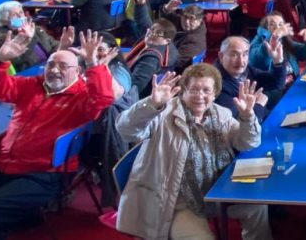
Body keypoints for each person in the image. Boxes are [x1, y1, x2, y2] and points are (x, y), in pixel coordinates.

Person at [115, 65, 271, 240]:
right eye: (194, 89)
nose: (200, 96)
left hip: (218, 192)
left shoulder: (221, 114)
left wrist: (248, 116)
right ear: (183, 91)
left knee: (257, 207)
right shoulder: (165, 114)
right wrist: (151, 104)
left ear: (214, 94)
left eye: (206, 90)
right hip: (178, 202)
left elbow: (247, 143)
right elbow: (126, 129)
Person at [0, 30, 114, 238]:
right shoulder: (32, 84)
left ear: (77, 71)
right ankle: (22, 216)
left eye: (63, 66)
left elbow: (103, 99)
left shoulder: (83, 97)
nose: (54, 70)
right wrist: (0, 61)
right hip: (6, 162)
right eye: (50, 64)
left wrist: (94, 65)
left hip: (45, 174)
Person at [214, 36, 287, 119]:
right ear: (221, 56)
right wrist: (259, 104)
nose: (241, 61)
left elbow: (276, 84)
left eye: (245, 54)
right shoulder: (216, 84)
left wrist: (278, 62)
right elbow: (239, 121)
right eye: (234, 55)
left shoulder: (247, 70)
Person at [0, 4, 73, 72]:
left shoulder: (35, 28)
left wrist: (62, 47)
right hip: (30, 72)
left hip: (50, 65)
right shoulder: (3, 39)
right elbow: (19, 62)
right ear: (4, 20)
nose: (20, 16)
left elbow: (54, 44)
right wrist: (29, 38)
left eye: (21, 12)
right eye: (14, 15)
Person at [249, 12, 306, 85]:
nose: (278, 28)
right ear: (265, 28)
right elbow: (257, 61)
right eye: (272, 24)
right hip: (274, 89)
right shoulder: (258, 41)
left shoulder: (285, 41)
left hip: (294, 84)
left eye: (280, 24)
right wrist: (274, 37)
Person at [125, 16, 179, 98]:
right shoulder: (170, 47)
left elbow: (135, 86)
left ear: (167, 40)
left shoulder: (151, 59)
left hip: (138, 98)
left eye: (158, 33)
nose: (151, 34)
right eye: (152, 29)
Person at [160, 1, 207, 73]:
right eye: (185, 17)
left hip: (174, 72)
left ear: (200, 20)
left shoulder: (195, 41)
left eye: (191, 18)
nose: (187, 21)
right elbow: (169, 17)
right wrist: (167, 9)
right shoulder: (186, 24)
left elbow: (176, 62)